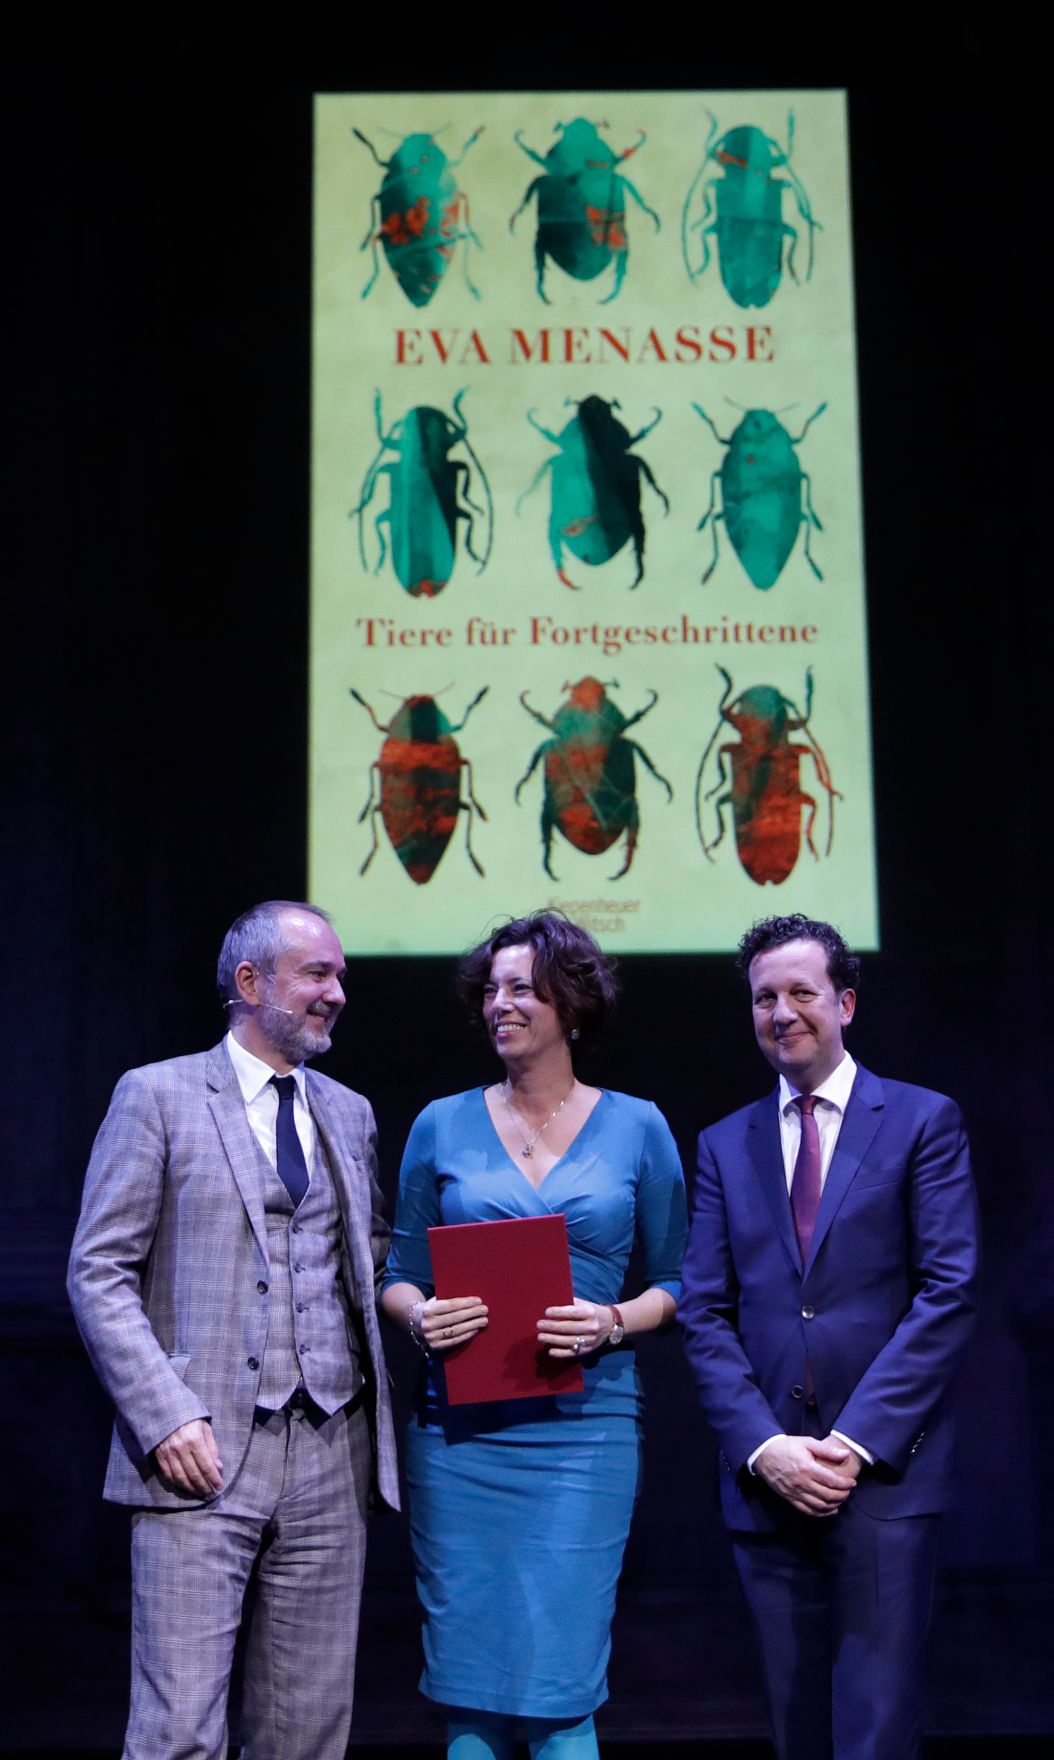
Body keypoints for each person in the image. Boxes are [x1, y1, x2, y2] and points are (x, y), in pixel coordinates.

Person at [67, 900, 398, 1760]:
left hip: (331, 1450)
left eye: (341, 976)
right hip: (201, 1449)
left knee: (306, 1733)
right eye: (316, 974)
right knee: (179, 1729)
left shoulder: (350, 1112)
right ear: (250, 983)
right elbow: (98, 1270)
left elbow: (365, 1260)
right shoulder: (158, 1095)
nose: (337, 993)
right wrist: (164, 1414)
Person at [381, 910, 687, 1760]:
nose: (500, 1004)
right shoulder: (440, 1123)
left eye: (521, 988)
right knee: (469, 1693)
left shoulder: (638, 1126)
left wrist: (613, 1320)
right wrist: (420, 1315)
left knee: (561, 1689)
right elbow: (396, 1273)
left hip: (584, 1434)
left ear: (572, 1005)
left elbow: (680, 1282)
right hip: (460, 1437)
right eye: (492, 990)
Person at [678, 913, 979, 1760]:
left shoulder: (921, 1120)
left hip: (882, 1476)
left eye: (801, 993)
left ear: (844, 1003)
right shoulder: (723, 1143)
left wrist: (850, 1444)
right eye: (764, 998)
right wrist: (763, 1446)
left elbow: (949, 1291)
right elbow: (704, 1310)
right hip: (768, 1479)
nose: (782, 1013)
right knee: (797, 1730)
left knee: (875, 1731)